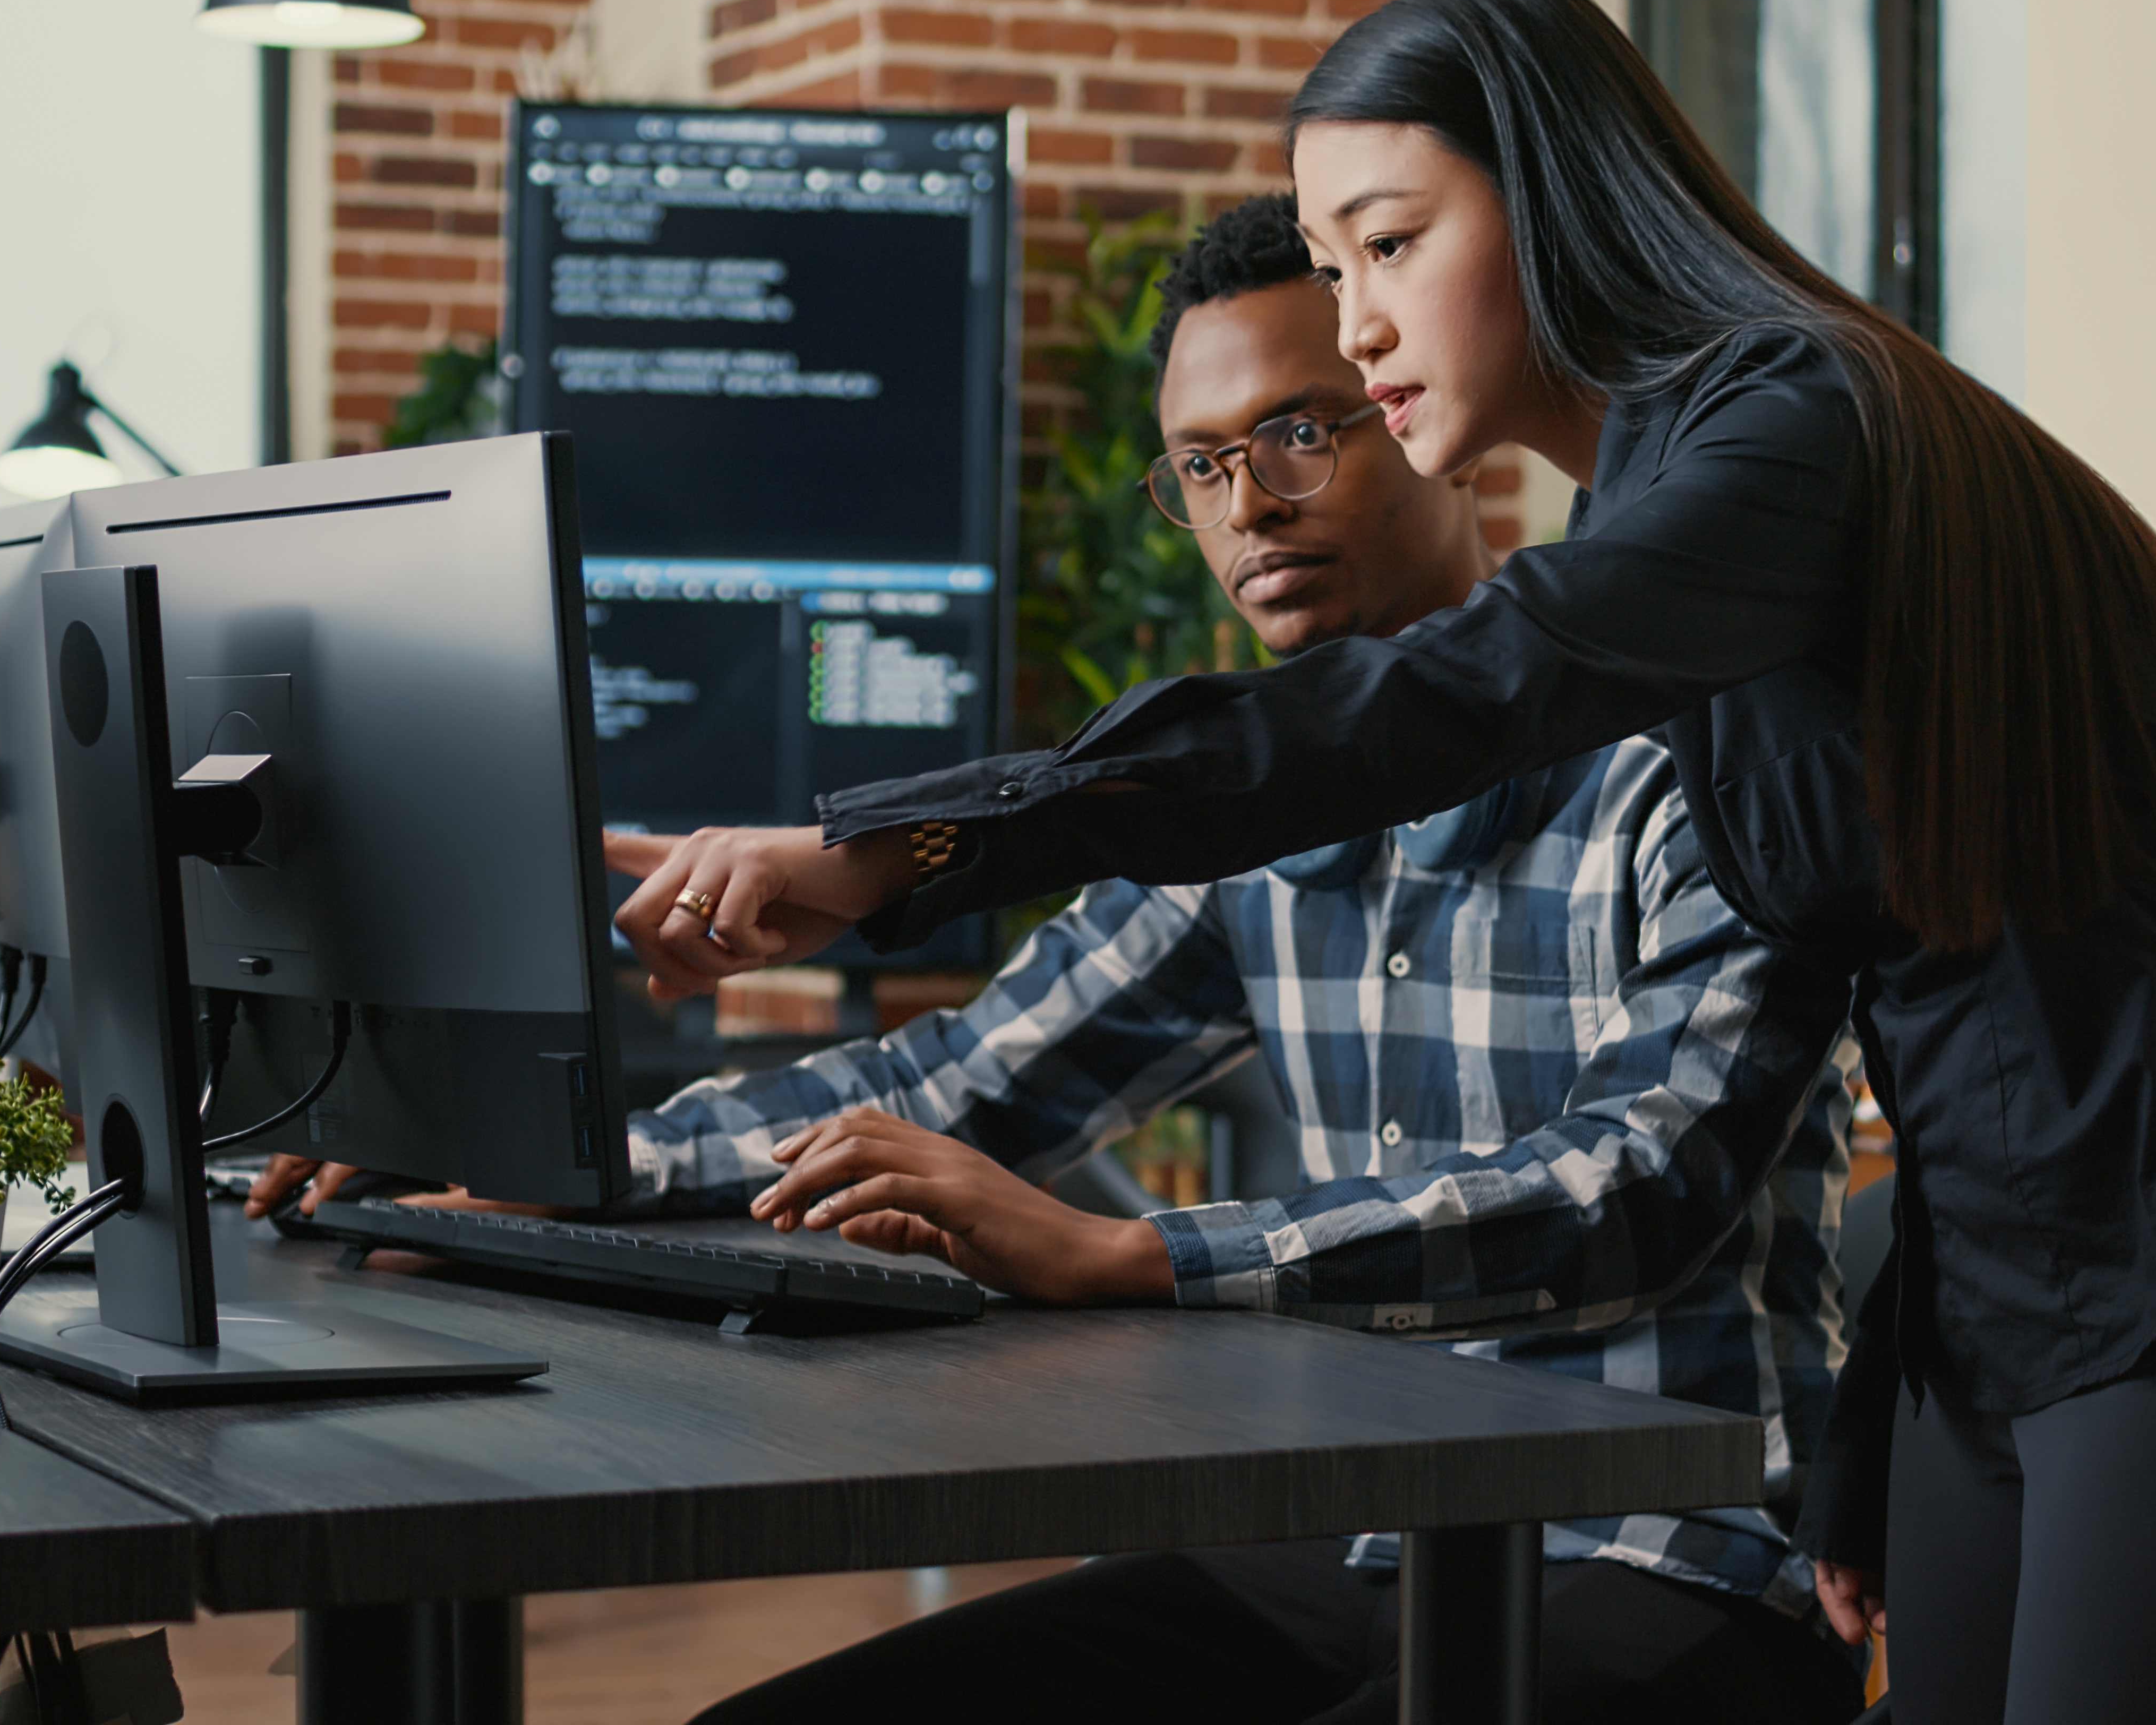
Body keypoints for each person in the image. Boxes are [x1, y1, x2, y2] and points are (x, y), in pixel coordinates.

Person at [600, 0, 2156, 1725]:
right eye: (1332, 268)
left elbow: (1450, 697)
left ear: (1561, 198)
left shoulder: (1789, 426)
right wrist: (1888, 1408)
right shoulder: (1685, 500)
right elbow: (1958, 1003)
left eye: (1391, 246)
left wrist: (899, 844)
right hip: (1989, 1296)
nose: (1357, 323)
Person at [256, 194, 1870, 1724]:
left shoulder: (1689, 755)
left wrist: (1136, 1253)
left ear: (1425, 413)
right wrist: (532, 1165)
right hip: (1351, 1532)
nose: (1252, 505)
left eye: (1303, 431)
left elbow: (1635, 1185)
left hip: (1673, 1553)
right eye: (1203, 464)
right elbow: (950, 1085)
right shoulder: (1242, 816)